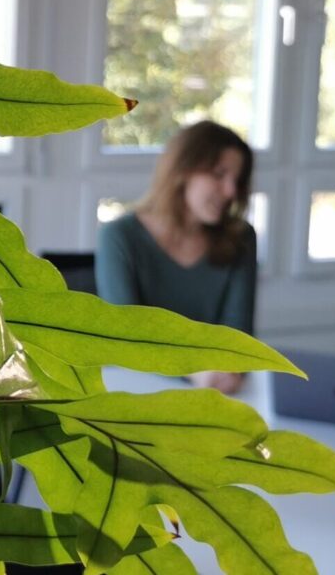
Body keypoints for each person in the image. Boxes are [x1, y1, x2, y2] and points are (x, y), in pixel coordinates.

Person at [96, 120, 257, 394]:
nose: (231, 191)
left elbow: (238, 338)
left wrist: (225, 370)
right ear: (182, 171)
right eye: (219, 175)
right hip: (133, 392)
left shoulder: (241, 238)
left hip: (213, 395)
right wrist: (193, 371)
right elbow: (127, 338)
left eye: (237, 180)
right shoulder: (118, 236)